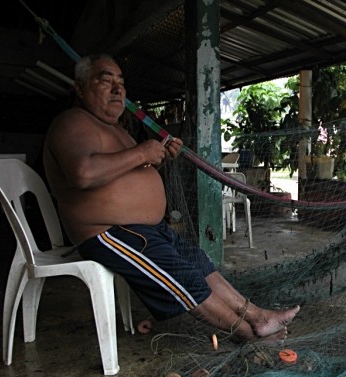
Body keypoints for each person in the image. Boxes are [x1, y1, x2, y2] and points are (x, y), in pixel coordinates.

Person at [43, 53, 299, 341]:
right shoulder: (72, 122)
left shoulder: (115, 130)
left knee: (198, 261)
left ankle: (258, 317)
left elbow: (124, 175)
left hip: (145, 230)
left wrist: (159, 158)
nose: (118, 90)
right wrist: (142, 152)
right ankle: (248, 336)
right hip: (107, 232)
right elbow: (84, 173)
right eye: (106, 81)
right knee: (183, 276)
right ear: (79, 88)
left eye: (121, 83)